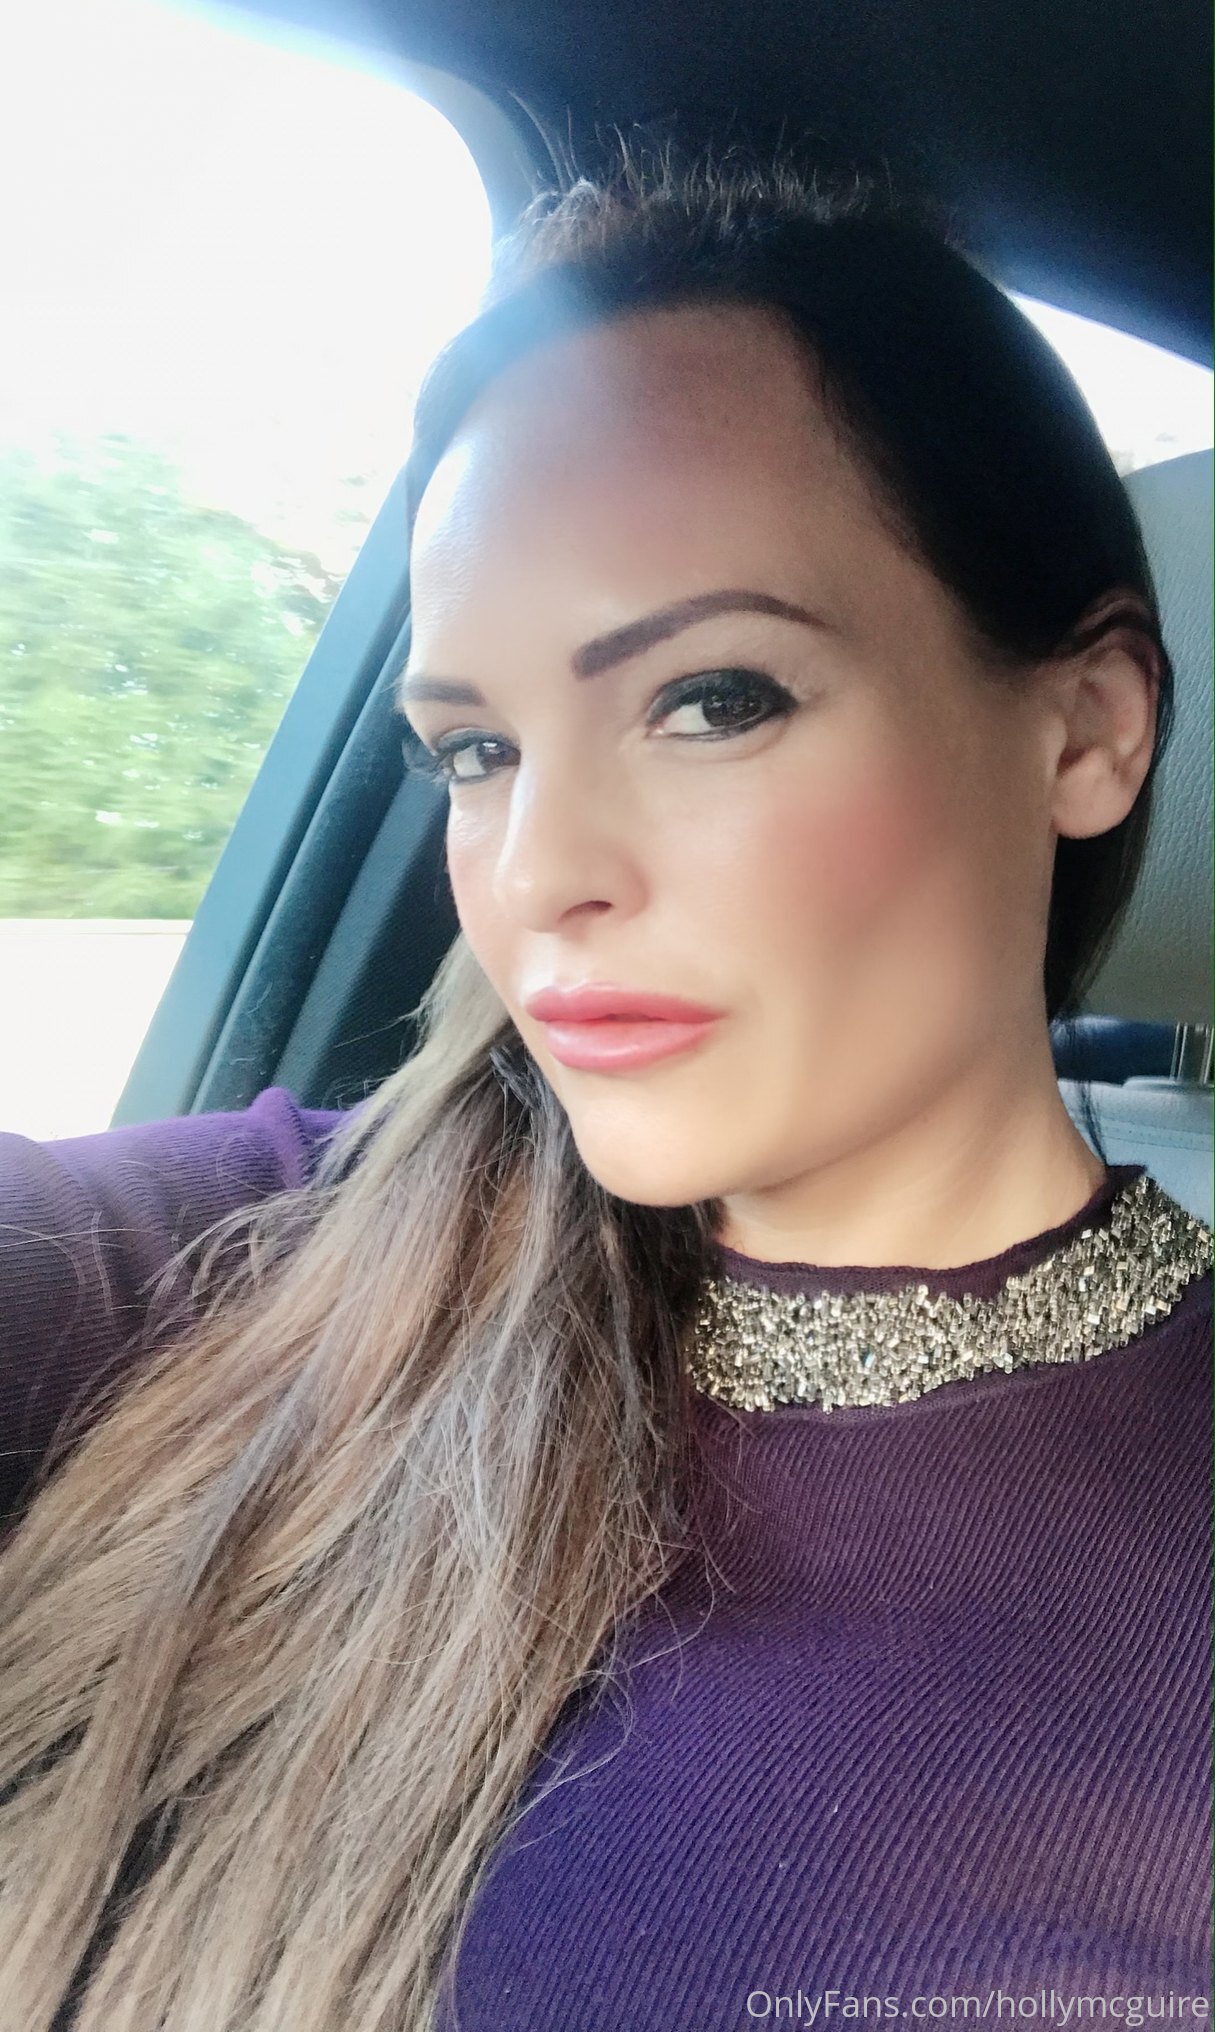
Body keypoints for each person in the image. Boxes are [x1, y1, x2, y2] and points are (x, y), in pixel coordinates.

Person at [0, 145, 1209, 2032]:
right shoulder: (270, 1258)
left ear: (1088, 729)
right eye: (474, 751)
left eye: (712, 699)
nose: (535, 872)